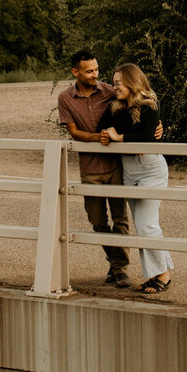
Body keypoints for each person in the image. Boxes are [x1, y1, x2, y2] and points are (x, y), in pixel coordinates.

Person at [57, 50, 134, 288]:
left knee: (120, 218)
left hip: (116, 166)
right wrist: (96, 137)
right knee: (97, 220)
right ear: (75, 72)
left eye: (97, 69)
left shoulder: (110, 92)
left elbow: (136, 107)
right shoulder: (65, 98)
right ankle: (114, 261)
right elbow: (73, 132)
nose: (95, 74)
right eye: (89, 71)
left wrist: (155, 126)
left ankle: (120, 269)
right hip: (90, 168)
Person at [97, 63, 173, 296]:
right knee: (143, 226)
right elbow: (102, 127)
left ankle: (163, 275)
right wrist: (114, 135)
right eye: (113, 82)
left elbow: (146, 136)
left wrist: (119, 137)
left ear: (132, 82)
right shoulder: (115, 108)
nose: (114, 87)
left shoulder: (150, 105)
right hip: (129, 170)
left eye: (119, 83)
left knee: (148, 224)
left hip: (151, 169)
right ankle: (157, 272)